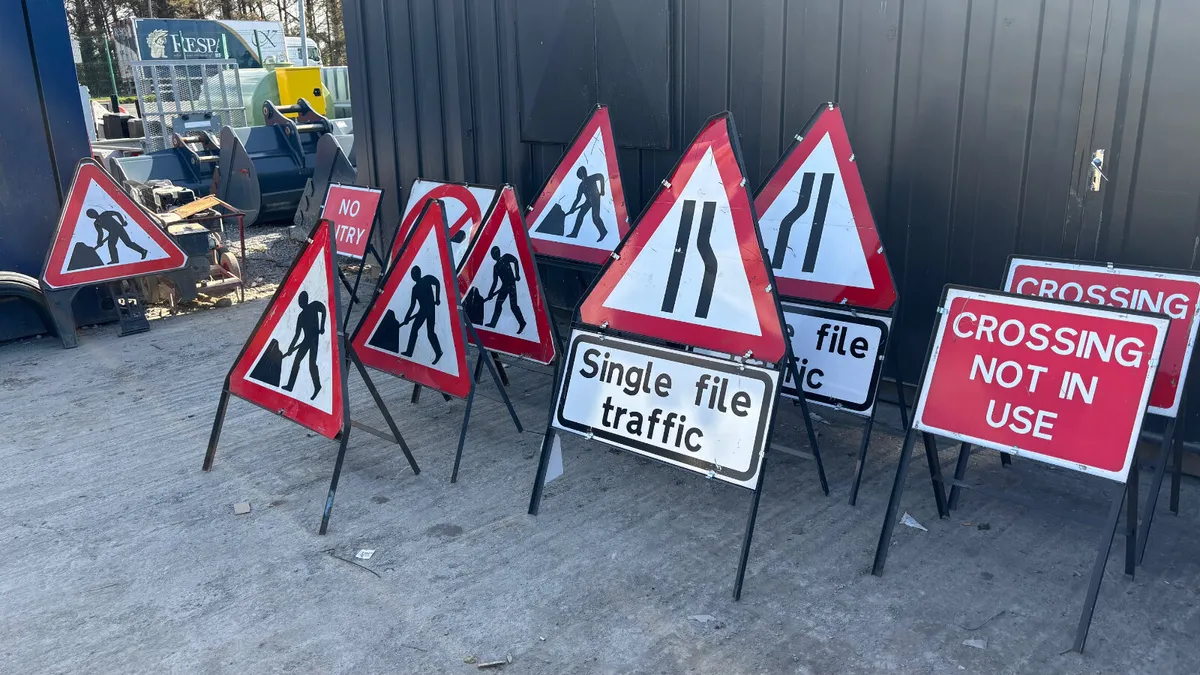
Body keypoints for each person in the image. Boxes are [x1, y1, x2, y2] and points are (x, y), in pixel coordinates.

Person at [282, 291, 327, 400]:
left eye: (301, 300)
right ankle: (290, 385)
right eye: (299, 301)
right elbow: (297, 334)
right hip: (306, 340)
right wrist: (290, 348)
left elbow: (323, 309)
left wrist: (322, 326)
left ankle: (317, 386)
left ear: (305, 300)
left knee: (312, 364)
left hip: (314, 339)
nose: (300, 303)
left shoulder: (314, 306)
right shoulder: (300, 316)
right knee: (296, 361)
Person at [399, 265, 444, 364]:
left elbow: (437, 283)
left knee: (430, 332)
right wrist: (407, 317)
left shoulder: (427, 279)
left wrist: (437, 298)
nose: (413, 276)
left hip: (429, 309)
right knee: (416, 330)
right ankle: (409, 352)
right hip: (423, 310)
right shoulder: (415, 288)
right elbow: (412, 305)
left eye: (414, 274)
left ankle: (438, 352)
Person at [484, 246, 526, 333]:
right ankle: (493, 323)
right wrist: (490, 293)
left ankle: (522, 322)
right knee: (498, 304)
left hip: (511, 285)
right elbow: (495, 282)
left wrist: (517, 274)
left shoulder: (506, 257)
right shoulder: (496, 267)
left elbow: (515, 261)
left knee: (513, 306)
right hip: (504, 287)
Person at [566, 166, 607, 241]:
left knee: (595, 217)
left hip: (595, 199)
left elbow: (601, 176)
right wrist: (572, 209)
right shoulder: (581, 186)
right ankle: (574, 233)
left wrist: (602, 190)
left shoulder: (592, 178)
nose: (583, 177)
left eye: (584, 174)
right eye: (581, 176)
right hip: (588, 201)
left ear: (586, 173)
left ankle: (603, 232)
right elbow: (578, 199)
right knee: (580, 216)